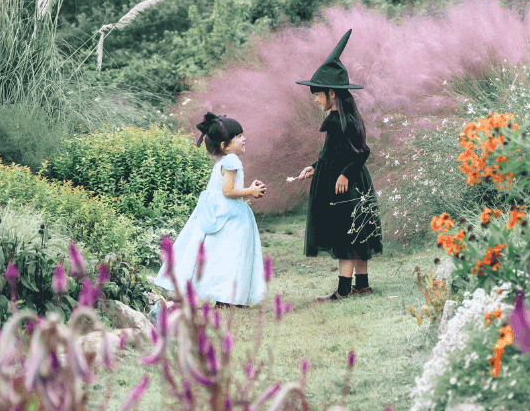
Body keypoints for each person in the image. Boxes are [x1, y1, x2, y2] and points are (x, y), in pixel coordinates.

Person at [295, 29, 384, 300]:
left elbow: (361, 152)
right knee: (356, 232)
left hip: (349, 187)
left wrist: (345, 174)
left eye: (318, 94)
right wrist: (314, 166)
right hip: (347, 182)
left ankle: (344, 290)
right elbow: (332, 153)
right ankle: (363, 284)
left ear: (331, 93)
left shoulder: (343, 122)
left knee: (346, 235)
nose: (316, 99)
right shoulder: (339, 120)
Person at [154, 112, 268, 307]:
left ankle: (224, 297)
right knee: (234, 256)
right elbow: (228, 191)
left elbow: (227, 189)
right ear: (225, 145)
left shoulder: (222, 161)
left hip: (218, 213)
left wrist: (247, 187)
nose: (244, 138)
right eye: (238, 136)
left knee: (220, 255)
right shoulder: (232, 161)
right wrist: (250, 191)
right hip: (231, 217)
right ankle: (230, 297)